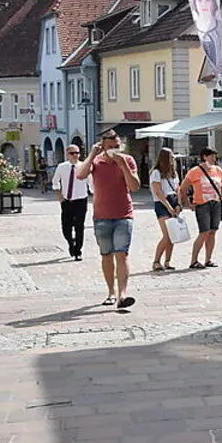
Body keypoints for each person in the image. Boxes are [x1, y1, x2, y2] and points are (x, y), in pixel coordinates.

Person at [76, 130, 141, 309]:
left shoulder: (127, 160)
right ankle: (111, 292)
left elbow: (134, 186)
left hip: (124, 215)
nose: (114, 149)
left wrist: (123, 165)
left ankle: (122, 295)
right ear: (103, 146)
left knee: (122, 254)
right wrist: (91, 154)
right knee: (106, 255)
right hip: (101, 216)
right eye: (111, 147)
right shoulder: (96, 161)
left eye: (117, 146)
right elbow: (80, 175)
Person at [179, 147, 222, 269]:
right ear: (204, 157)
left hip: (216, 203)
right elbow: (183, 188)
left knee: (213, 231)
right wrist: (187, 203)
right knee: (204, 231)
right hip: (202, 205)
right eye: (211, 156)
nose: (214, 159)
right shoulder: (195, 171)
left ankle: (208, 259)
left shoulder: (218, 170)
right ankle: (194, 260)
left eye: (214, 156)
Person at [50, 144, 90, 261]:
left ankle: (78, 251)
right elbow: (55, 182)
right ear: (67, 155)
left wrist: (96, 194)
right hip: (67, 201)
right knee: (66, 227)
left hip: (81, 200)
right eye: (72, 153)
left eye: (77, 153)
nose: (75, 155)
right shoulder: (62, 167)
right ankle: (70, 242)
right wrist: (59, 196)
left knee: (79, 226)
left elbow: (90, 182)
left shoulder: (84, 166)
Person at [149, 148, 182, 272]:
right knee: (166, 235)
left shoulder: (173, 173)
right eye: (171, 157)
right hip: (162, 203)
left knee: (173, 234)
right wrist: (168, 207)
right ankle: (156, 261)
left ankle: (168, 261)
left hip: (173, 200)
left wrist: (178, 204)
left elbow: (178, 188)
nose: (173, 160)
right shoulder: (156, 172)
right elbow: (158, 192)